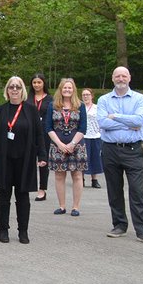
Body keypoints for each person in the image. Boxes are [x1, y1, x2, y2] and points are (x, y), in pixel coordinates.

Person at [0, 76, 47, 244]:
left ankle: (23, 231)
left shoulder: (31, 110)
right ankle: (3, 230)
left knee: (23, 196)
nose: (14, 90)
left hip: (24, 159)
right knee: (3, 196)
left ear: (22, 90)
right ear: (7, 90)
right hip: (4, 158)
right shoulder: (0, 110)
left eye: (17, 87)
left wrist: (42, 155)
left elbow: (39, 134)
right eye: (11, 87)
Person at [97, 66, 143, 244]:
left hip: (133, 151)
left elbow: (139, 120)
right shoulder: (104, 100)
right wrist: (128, 123)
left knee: (137, 191)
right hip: (110, 150)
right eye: (117, 76)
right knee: (114, 190)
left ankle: (142, 230)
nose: (120, 79)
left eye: (124, 76)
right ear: (112, 78)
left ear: (129, 78)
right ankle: (119, 225)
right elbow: (102, 123)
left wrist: (114, 117)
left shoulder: (140, 99)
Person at [48, 78, 87, 217]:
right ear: (60, 89)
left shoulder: (80, 106)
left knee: (77, 175)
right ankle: (62, 206)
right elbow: (48, 127)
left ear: (73, 89)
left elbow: (83, 128)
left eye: (69, 88)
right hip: (57, 146)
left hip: (76, 146)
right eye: (65, 87)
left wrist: (72, 144)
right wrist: (59, 144)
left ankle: (75, 207)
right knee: (59, 175)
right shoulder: (53, 105)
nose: (67, 90)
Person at [29, 73, 52, 201]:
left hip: (44, 134)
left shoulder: (50, 99)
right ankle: (27, 185)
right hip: (29, 133)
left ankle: (42, 189)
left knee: (43, 161)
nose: (36, 85)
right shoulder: (27, 98)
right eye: (34, 82)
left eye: (39, 82)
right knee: (28, 160)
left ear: (43, 83)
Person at [81, 88, 103, 189]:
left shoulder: (97, 108)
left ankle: (94, 180)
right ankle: (81, 179)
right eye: (84, 95)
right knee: (83, 158)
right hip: (83, 136)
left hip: (95, 136)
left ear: (92, 96)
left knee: (95, 157)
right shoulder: (79, 107)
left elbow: (101, 121)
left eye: (87, 94)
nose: (85, 96)